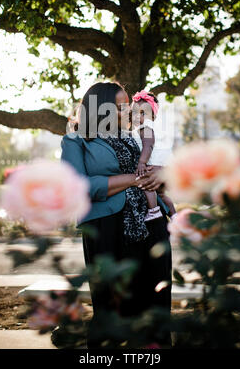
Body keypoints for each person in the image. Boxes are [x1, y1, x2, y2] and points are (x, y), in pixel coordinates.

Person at [61, 81, 172, 348]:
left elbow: (148, 176)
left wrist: (160, 176)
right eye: (121, 108)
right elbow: (77, 187)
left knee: (155, 302)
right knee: (114, 304)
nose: (129, 113)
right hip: (107, 228)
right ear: (102, 110)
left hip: (152, 224)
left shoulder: (132, 138)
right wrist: (133, 179)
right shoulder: (75, 140)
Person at [130, 90, 177, 222]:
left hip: (152, 161)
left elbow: (148, 145)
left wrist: (141, 162)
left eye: (143, 113)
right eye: (134, 113)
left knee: (146, 184)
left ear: (153, 116)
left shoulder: (146, 127)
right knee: (161, 193)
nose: (138, 117)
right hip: (161, 163)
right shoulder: (141, 128)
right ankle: (174, 214)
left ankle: (153, 211)